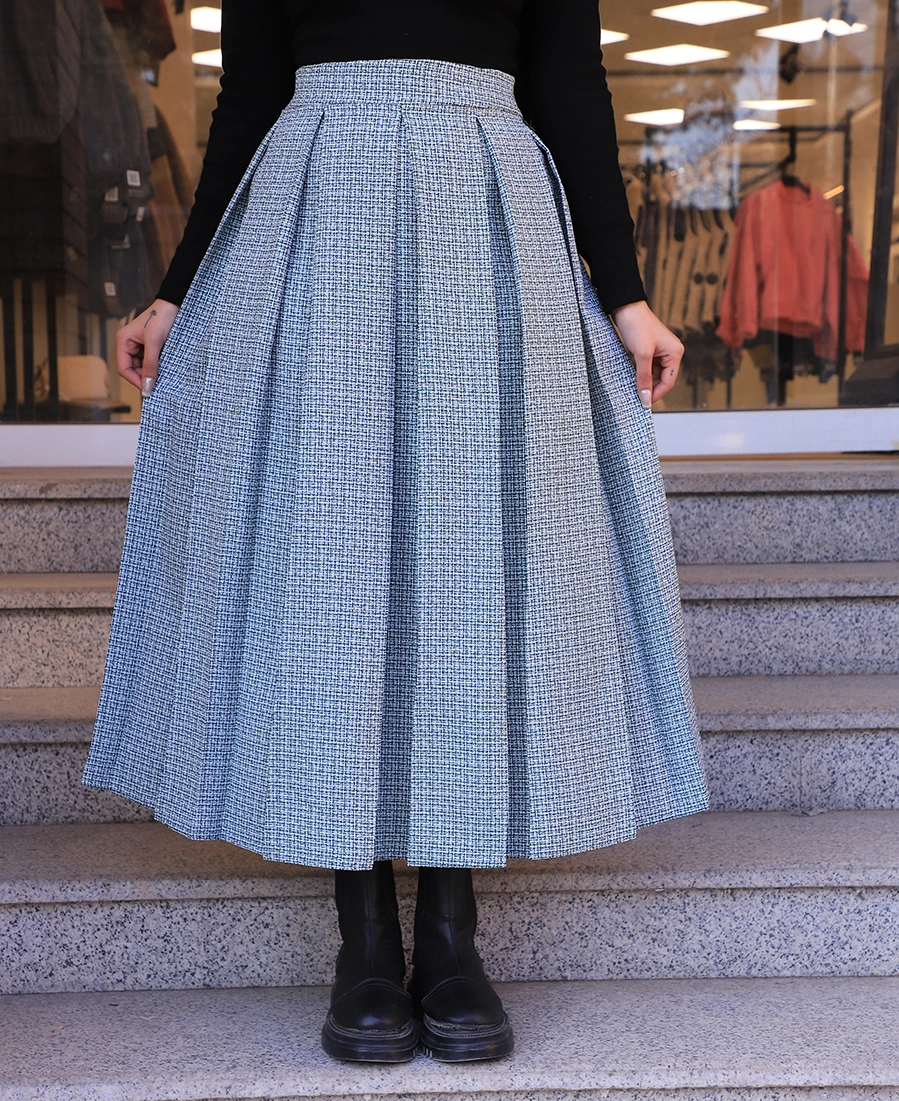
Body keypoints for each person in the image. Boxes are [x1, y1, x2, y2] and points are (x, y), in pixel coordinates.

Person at [83, 0, 709, 1066]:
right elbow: (248, 94)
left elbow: (570, 89)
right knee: (330, 566)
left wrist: (627, 294)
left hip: (486, 216)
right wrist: (177, 293)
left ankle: (451, 935)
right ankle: (364, 935)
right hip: (315, 212)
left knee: (466, 568)